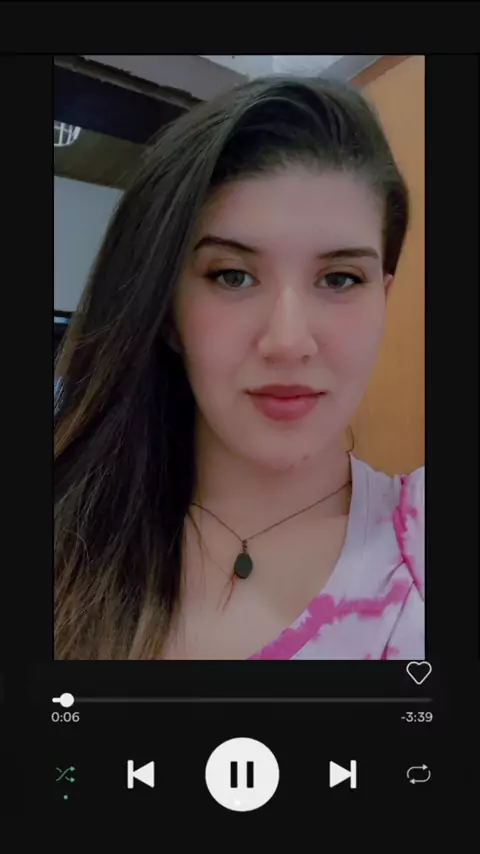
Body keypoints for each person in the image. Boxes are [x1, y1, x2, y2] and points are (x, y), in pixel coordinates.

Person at [54, 74, 424, 661]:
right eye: (232, 275)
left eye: (339, 279)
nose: (288, 342)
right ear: (168, 312)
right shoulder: (70, 533)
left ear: (384, 298)